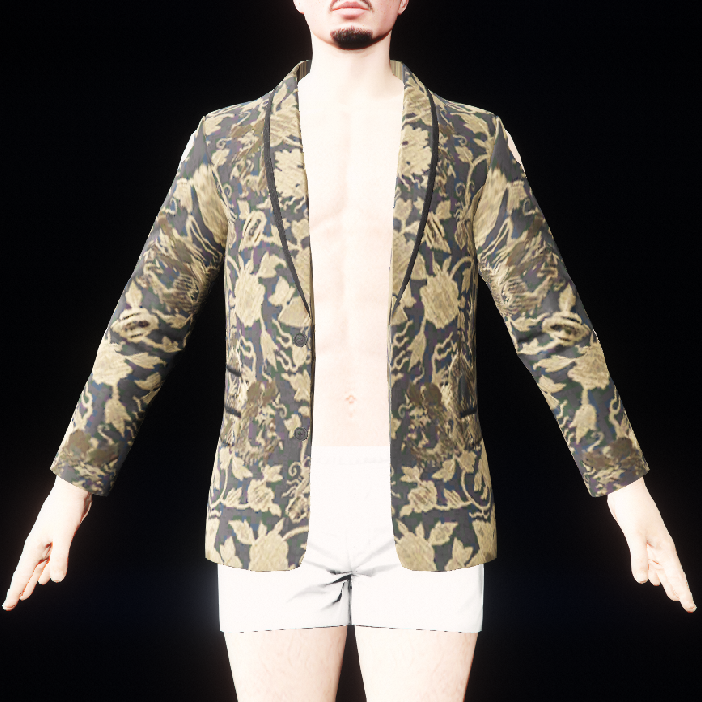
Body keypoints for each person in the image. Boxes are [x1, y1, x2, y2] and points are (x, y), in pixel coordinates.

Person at [3, 1, 696, 701]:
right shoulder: (226, 141)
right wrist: (71, 489)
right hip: (266, 504)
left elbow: (548, 320)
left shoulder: (472, 141)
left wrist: (626, 491)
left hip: (435, 502)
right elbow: (149, 318)